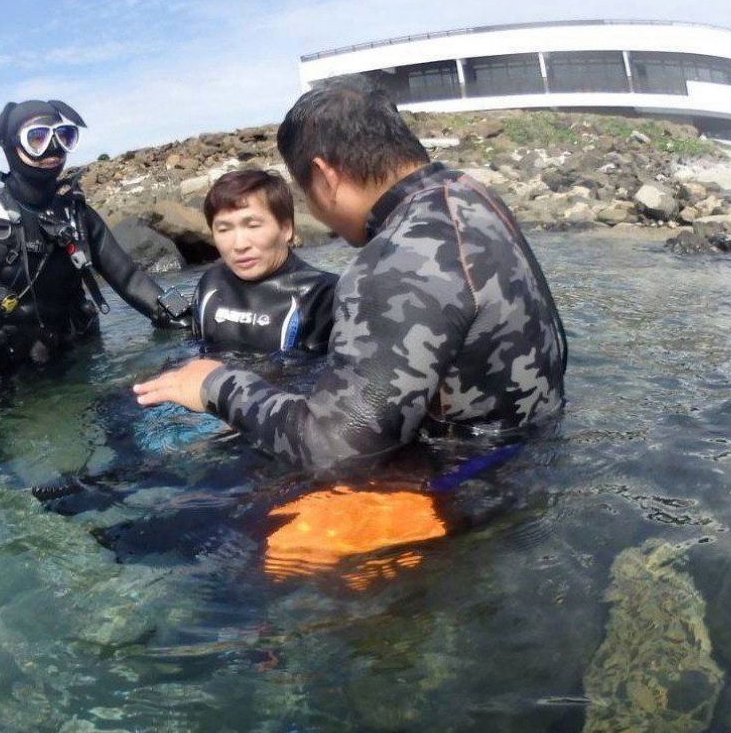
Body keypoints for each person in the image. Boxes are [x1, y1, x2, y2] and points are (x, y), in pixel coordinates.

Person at [134, 76, 567, 471]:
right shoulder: (469, 196)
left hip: (467, 483)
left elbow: (334, 449)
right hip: (533, 455)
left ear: (325, 176)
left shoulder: (398, 256)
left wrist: (217, 385)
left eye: (306, 191)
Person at [0, 99, 184, 408]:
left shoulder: (76, 216)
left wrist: (185, 314)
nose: (53, 148)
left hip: (74, 360)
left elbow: (129, 279)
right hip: (3, 376)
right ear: (11, 147)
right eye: (37, 138)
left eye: (64, 136)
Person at [192, 168, 337, 354]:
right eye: (224, 229)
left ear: (286, 229)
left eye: (253, 226)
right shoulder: (211, 284)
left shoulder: (322, 294)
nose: (239, 245)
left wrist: (219, 371)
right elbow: (191, 350)